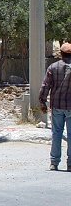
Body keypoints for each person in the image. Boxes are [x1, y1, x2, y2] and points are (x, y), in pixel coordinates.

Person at [39, 42, 71, 171]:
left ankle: (54, 162)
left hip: (57, 106)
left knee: (56, 134)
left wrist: (42, 102)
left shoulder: (53, 67)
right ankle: (70, 164)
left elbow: (45, 86)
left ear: (61, 54)